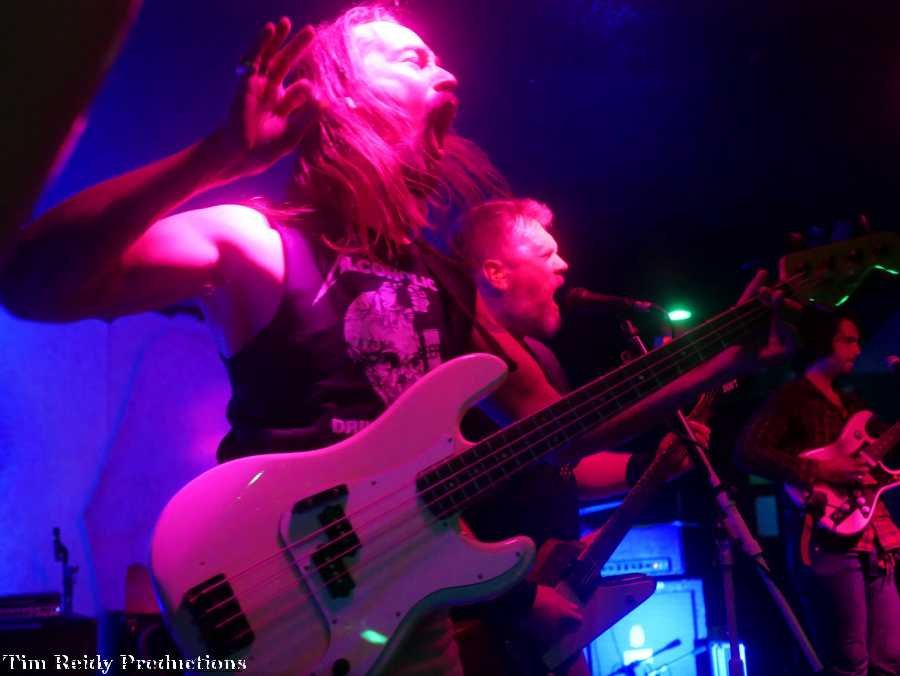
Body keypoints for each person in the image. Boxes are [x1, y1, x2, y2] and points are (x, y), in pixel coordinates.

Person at [0, 4, 789, 674]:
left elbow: (559, 425)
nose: (444, 72)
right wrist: (217, 157)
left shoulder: (442, 280)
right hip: (276, 598)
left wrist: (728, 355)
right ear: (338, 94)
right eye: (410, 57)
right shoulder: (258, 242)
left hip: (409, 616)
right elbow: (32, 280)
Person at [451, 198, 709, 675]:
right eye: (545, 253)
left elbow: (564, 465)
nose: (563, 264)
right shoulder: (457, 368)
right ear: (496, 273)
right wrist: (514, 599)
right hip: (486, 615)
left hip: (548, 611)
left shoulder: (543, 360)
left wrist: (647, 465)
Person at [737, 313, 900, 676]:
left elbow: (882, 452)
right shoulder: (792, 397)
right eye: (848, 340)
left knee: (891, 657)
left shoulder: (851, 400)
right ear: (823, 342)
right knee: (849, 661)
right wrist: (821, 471)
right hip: (826, 541)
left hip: (874, 536)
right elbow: (748, 451)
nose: (857, 349)